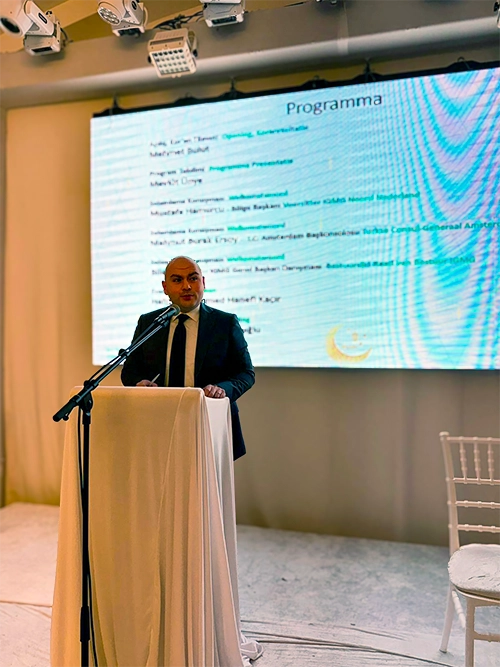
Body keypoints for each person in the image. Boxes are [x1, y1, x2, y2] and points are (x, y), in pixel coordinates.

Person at [121, 256, 255, 460]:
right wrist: (139, 383)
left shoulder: (224, 323)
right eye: (177, 280)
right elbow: (130, 371)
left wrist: (222, 389)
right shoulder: (149, 322)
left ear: (203, 282)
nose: (186, 286)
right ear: (165, 288)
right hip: (158, 426)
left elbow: (246, 373)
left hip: (210, 425)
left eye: (193, 278)